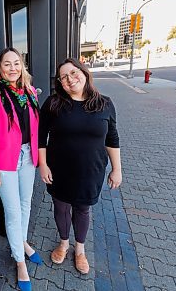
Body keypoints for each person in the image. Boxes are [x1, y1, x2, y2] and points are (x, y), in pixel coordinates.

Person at [38, 58, 122, 275]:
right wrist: (43, 165)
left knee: (83, 209)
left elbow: (112, 138)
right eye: (64, 77)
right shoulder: (53, 103)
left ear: (84, 73)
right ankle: (64, 244)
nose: (70, 79)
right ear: (60, 83)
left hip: (91, 170)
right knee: (61, 207)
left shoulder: (105, 103)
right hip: (59, 168)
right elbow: (40, 137)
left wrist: (117, 169)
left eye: (74, 73)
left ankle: (80, 250)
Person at [0, 47, 41, 291]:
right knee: (13, 212)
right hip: (4, 162)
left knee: (26, 204)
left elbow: (35, 128)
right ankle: (19, 262)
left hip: (27, 156)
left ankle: (22, 242)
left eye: (17, 63)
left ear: (22, 66)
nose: (13, 68)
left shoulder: (30, 92)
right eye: (7, 64)